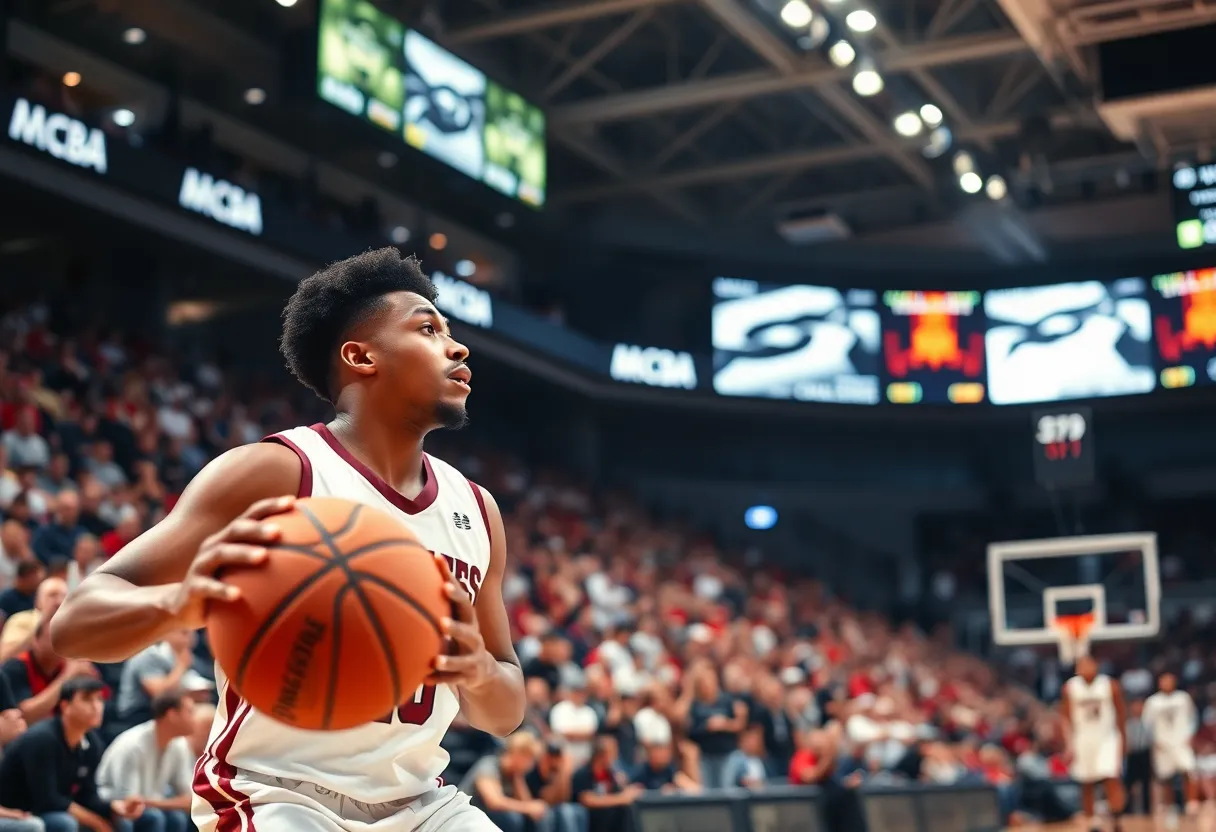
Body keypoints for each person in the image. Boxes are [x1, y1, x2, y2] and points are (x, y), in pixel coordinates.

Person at [51, 248, 526, 832]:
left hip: (423, 804)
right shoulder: (277, 473)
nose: (457, 347)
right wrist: (179, 603)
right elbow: (73, 624)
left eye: (450, 332)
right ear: (361, 356)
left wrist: (478, 671)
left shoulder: (477, 509)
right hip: (276, 794)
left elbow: (505, 714)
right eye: (429, 329)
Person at [0, 676, 144, 832]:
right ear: (65, 705)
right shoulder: (43, 739)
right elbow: (47, 799)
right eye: (87, 699)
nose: (96, 706)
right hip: (21, 810)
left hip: (52, 808)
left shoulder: (92, 743)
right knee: (64, 823)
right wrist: (96, 822)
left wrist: (115, 807)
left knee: (121, 821)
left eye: (99, 699)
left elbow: (87, 795)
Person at [96, 689, 197, 832]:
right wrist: (156, 803)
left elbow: (190, 800)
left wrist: (151, 802)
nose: (195, 718)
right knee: (154, 817)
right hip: (111, 803)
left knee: (177, 817)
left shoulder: (179, 744)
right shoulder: (133, 745)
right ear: (172, 715)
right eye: (190, 712)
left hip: (148, 804)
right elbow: (130, 802)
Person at [1061, 655, 1127, 832]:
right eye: (1082, 665)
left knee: (1111, 777)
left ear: (1096, 666)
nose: (1086, 668)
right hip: (1082, 738)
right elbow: (1065, 717)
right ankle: (1091, 821)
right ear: (1077, 669)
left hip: (1107, 737)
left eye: (1089, 664)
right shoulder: (1070, 687)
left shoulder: (1110, 685)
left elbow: (1121, 713)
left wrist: (1123, 739)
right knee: (1086, 781)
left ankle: (1116, 818)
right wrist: (1068, 744)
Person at [1, 622, 98, 724]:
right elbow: (24, 716)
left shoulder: (66, 666)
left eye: (63, 640)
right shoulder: (17, 666)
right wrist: (66, 676)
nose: (60, 645)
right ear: (35, 640)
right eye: (53, 638)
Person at [462, 733, 549, 832]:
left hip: (487, 816)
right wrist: (528, 808)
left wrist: (517, 778)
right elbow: (494, 803)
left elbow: (527, 805)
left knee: (538, 818)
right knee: (511, 818)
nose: (531, 765)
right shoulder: (489, 765)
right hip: (468, 815)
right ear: (518, 753)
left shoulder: (514, 774)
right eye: (529, 759)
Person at [1142, 672, 1200, 821]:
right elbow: (1147, 724)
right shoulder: (1153, 702)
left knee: (1189, 771)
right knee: (1165, 777)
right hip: (1162, 744)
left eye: (1169, 680)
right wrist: (1153, 740)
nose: (1167, 683)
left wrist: (1191, 735)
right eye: (1164, 681)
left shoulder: (1183, 698)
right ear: (1159, 683)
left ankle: (1191, 804)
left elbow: (1193, 717)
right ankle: (1170, 806)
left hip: (1181, 741)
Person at [0, 577, 67, 662]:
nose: (59, 601)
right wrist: (42, 623)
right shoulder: (21, 620)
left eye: (63, 596)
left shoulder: (70, 626)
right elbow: (5, 657)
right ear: (38, 601)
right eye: (52, 595)